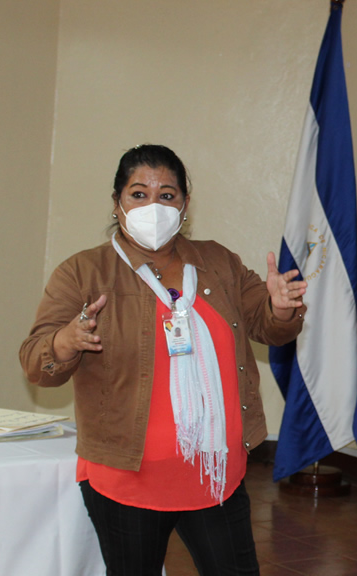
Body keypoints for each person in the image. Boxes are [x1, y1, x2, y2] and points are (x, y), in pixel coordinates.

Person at [20, 144, 307, 575]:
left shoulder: (218, 262)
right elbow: (34, 361)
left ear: (185, 205)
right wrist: (67, 339)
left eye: (167, 195)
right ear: (117, 202)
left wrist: (282, 309)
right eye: (139, 193)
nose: (153, 205)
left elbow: (266, 324)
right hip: (127, 477)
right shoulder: (83, 272)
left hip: (215, 473)